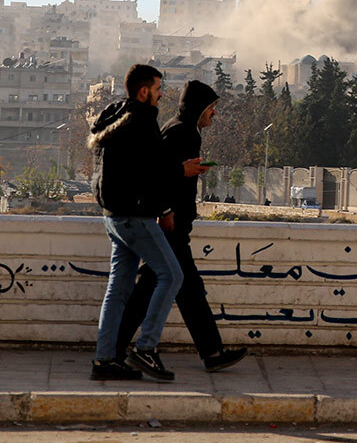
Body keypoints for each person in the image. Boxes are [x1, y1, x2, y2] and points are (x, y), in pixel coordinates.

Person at [116, 79, 247, 372]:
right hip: (171, 226)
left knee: (173, 289)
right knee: (173, 289)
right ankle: (120, 347)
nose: (214, 114)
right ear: (200, 108)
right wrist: (166, 210)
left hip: (175, 225)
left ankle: (211, 352)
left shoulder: (183, 130)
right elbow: (156, 174)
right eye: (211, 108)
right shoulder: (182, 132)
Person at [87, 64, 199, 382]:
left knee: (118, 289)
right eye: (158, 88)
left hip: (113, 216)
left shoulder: (115, 114)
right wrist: (181, 175)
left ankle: (105, 359)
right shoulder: (142, 118)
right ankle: (145, 348)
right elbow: (153, 169)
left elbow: (134, 166)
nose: (162, 94)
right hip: (135, 216)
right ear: (143, 90)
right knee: (172, 275)